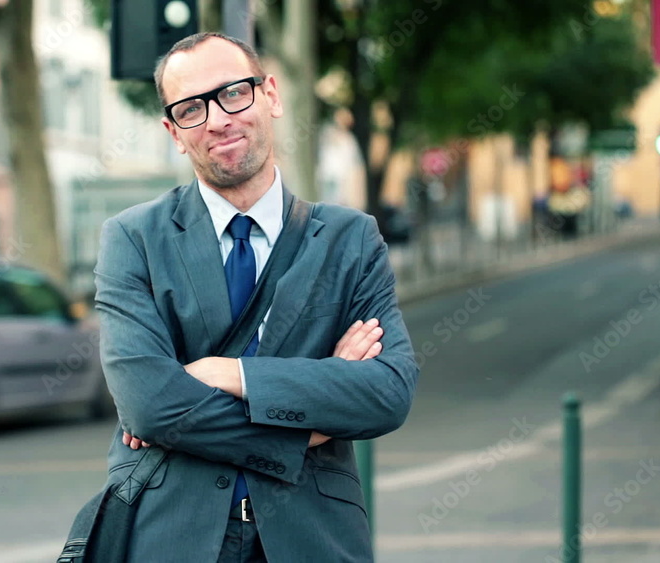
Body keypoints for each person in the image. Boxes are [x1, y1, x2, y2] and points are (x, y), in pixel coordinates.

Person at [92, 32, 418, 562]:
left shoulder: (351, 239)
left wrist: (233, 374)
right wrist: (309, 422)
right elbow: (150, 407)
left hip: (315, 537)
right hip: (171, 537)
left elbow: (387, 392)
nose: (218, 119)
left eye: (233, 93)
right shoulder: (133, 239)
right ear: (174, 132)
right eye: (192, 108)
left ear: (269, 94)